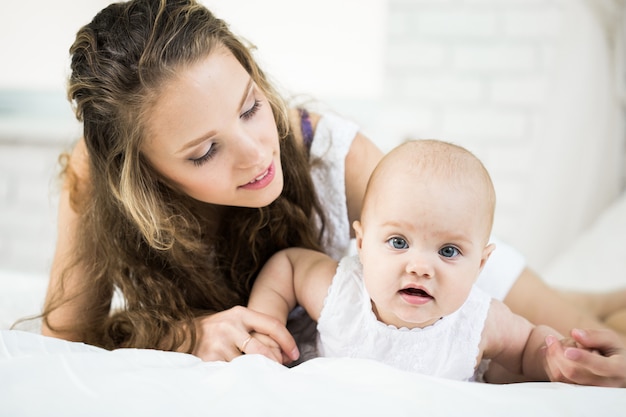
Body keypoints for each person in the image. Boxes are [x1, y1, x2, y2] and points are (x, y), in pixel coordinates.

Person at [40, 0, 626, 385]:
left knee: (588, 330)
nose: (257, 153)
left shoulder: (328, 152)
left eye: (251, 108)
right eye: (204, 152)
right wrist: (187, 333)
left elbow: (440, 254)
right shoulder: (102, 174)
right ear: (140, 175)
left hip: (435, 259)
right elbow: (65, 336)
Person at [247, 139, 621, 385]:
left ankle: (607, 309)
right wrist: (265, 328)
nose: (420, 267)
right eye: (398, 242)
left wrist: (554, 360)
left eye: (448, 251)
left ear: (480, 264)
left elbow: (527, 350)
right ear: (361, 244)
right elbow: (289, 266)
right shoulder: (340, 292)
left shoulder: (480, 321)